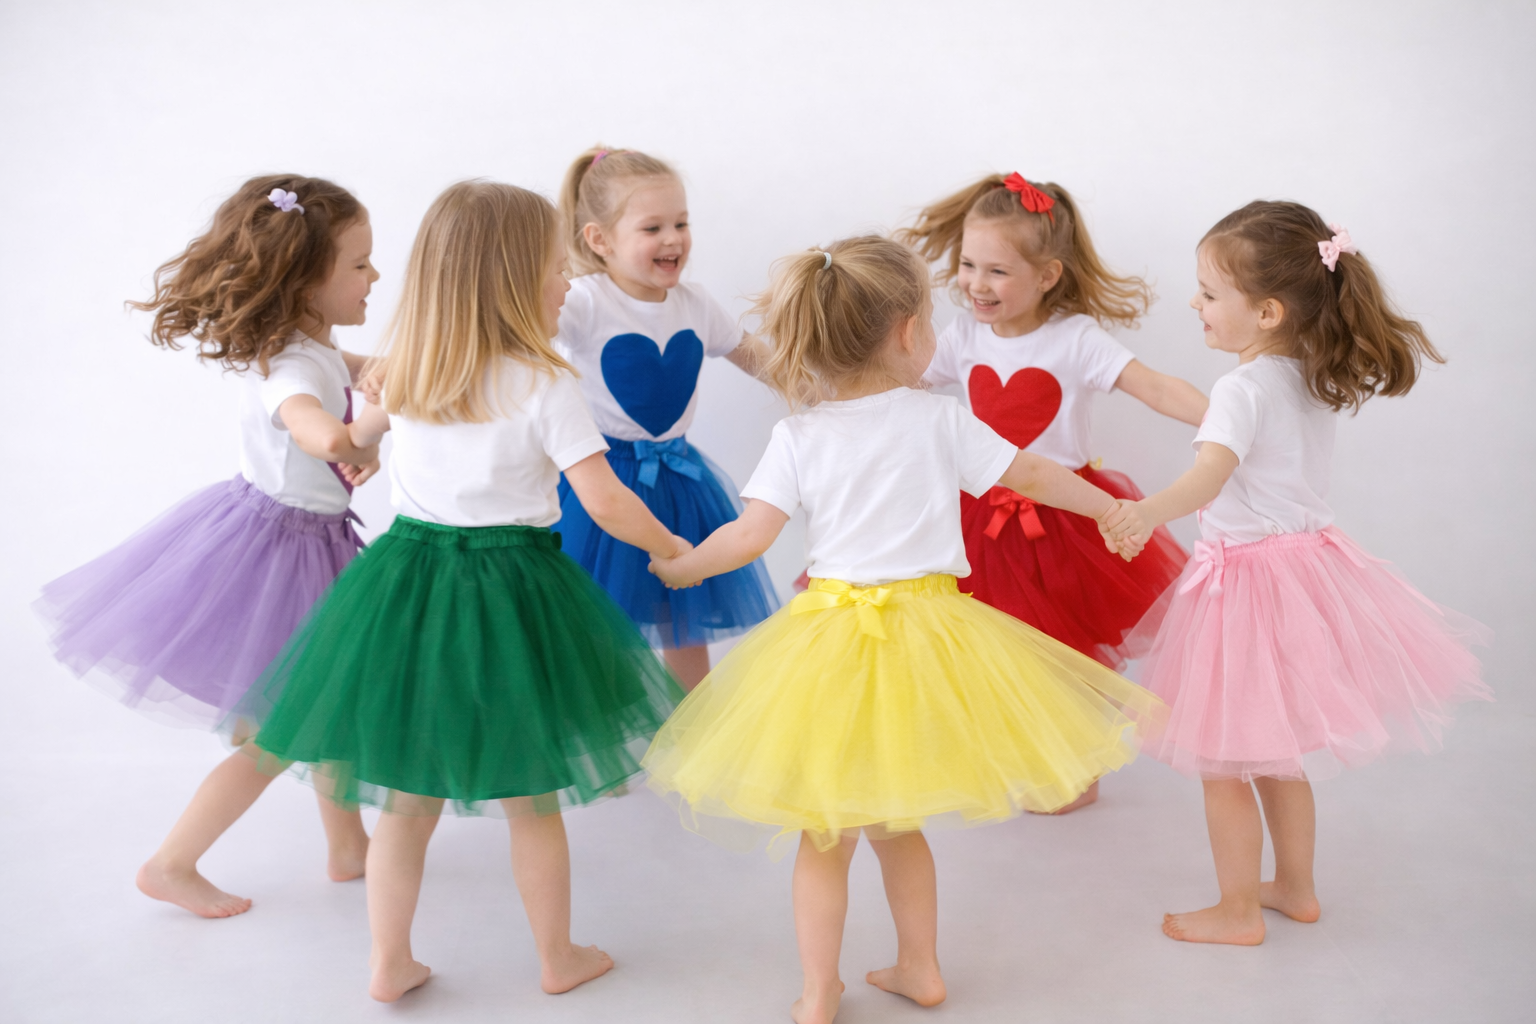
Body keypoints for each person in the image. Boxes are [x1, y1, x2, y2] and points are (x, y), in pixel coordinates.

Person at [644, 235, 1163, 1024]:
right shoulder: (940, 419)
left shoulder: (799, 436)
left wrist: (686, 567)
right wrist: (1110, 509)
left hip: (828, 640)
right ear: (910, 332)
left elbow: (748, 535)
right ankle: (921, 967)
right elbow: (1030, 473)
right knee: (898, 823)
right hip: (931, 633)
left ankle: (819, 990)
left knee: (825, 832)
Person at [243, 181, 686, 1001]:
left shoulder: (412, 371)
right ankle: (557, 957)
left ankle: (388, 962)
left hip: (409, 586)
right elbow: (605, 502)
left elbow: (357, 439)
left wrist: (366, 450)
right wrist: (671, 549)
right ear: (515, 283)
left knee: (407, 801)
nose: (567, 285)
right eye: (555, 270)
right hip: (514, 590)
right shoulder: (544, 383)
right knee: (532, 798)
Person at [1102, 201, 1492, 945]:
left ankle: (1238, 911)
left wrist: (1148, 512)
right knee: (1278, 753)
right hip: (1303, 578)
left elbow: (1210, 476)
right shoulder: (1307, 376)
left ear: (1268, 312)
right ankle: (1296, 889)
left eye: (1209, 293)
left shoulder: (1239, 390)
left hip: (1245, 589)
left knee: (1224, 763)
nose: (1195, 304)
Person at [35, 175, 380, 917]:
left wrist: (390, 374)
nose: (375, 276)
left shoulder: (312, 343)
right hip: (278, 558)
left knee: (330, 700)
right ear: (304, 282)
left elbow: (350, 373)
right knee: (281, 732)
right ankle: (171, 863)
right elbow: (323, 434)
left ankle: (349, 844)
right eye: (359, 264)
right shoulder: (292, 366)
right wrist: (370, 431)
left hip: (304, 543)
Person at [552, 145, 779, 689]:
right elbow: (520, 340)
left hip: (680, 482)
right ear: (600, 240)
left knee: (684, 613)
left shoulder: (695, 304)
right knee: (600, 618)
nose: (673, 239)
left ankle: (691, 719)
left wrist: (831, 389)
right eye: (652, 228)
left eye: (681, 223)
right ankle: (601, 718)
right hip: (605, 481)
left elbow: (757, 358)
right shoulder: (583, 300)